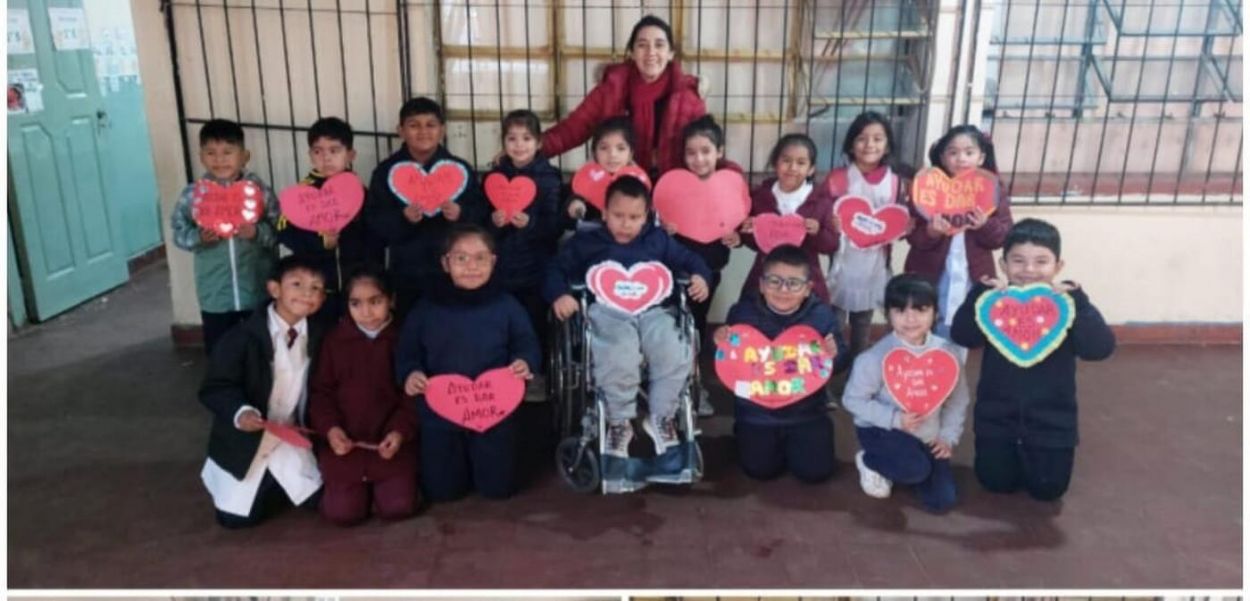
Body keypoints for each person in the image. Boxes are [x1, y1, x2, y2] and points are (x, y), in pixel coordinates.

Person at [545, 176, 711, 458]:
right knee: (619, 354)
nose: (626, 223)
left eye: (634, 217)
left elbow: (691, 260)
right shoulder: (588, 241)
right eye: (618, 216)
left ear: (645, 217)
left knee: (674, 350)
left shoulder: (657, 240)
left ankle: (661, 417)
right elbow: (554, 269)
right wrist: (559, 294)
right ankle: (619, 421)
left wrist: (701, 277)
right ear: (605, 213)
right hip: (608, 312)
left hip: (652, 311)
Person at [950, 218, 1116, 501]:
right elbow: (963, 335)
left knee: (1048, 490)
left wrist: (1080, 302)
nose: (1029, 270)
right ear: (1003, 266)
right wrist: (979, 295)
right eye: (1018, 261)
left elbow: (1099, 348)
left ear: (1058, 267)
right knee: (994, 483)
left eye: (1041, 262)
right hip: (996, 420)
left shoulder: (1066, 306)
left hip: (1052, 424)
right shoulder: (995, 304)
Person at [397, 225, 540, 502]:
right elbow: (407, 351)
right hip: (440, 411)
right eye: (461, 258)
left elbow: (526, 342)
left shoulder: (506, 304)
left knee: (498, 489)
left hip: (494, 407)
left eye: (480, 258)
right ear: (445, 262)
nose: (471, 266)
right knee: (443, 492)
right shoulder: (427, 307)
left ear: (493, 262)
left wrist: (524, 361)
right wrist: (411, 373)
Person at [198, 255, 328, 528]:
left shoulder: (322, 335)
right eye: (297, 284)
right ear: (274, 289)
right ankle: (263, 482)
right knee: (235, 519)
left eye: (316, 288)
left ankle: (278, 481)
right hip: (249, 436)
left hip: (292, 433)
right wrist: (241, 412)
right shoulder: (241, 338)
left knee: (318, 502)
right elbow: (216, 387)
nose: (307, 293)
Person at [715, 245, 848, 483]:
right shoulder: (742, 312)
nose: (783, 290)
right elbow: (734, 362)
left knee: (815, 473)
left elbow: (839, 363)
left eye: (794, 283)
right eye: (774, 281)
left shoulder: (821, 316)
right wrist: (721, 343)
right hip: (757, 412)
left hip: (806, 412)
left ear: (808, 289)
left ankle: (808, 437)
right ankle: (746, 431)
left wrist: (834, 354)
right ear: (762, 284)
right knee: (760, 471)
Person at [843, 274, 971, 512]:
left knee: (941, 502)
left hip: (928, 433)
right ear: (888, 314)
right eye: (900, 310)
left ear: (935, 312)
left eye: (921, 310)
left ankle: (912, 464)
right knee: (915, 470)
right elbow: (852, 400)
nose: (910, 319)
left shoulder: (947, 355)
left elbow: (958, 400)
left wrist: (947, 437)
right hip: (881, 429)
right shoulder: (874, 358)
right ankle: (870, 461)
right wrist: (893, 419)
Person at [308, 267, 417, 525]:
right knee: (342, 514)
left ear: (392, 300)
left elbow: (413, 396)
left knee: (398, 508)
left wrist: (399, 432)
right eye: (356, 304)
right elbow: (320, 393)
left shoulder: (405, 339)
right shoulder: (334, 340)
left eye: (375, 302)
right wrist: (331, 430)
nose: (366, 312)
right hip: (345, 445)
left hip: (392, 443)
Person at [365, 97, 487, 319]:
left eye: (430, 125)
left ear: (442, 130)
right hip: (407, 271)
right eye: (414, 125)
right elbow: (374, 222)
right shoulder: (385, 172)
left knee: (453, 328)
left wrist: (462, 214)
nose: (423, 132)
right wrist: (402, 218)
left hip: (453, 270)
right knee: (410, 328)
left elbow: (482, 215)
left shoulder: (460, 170)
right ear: (400, 130)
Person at [541, 14, 706, 175]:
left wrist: (727, 175)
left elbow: (706, 146)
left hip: (673, 185)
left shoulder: (688, 95)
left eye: (659, 45)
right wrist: (527, 148)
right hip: (619, 184)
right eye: (642, 45)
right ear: (632, 53)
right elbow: (571, 130)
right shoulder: (612, 88)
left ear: (671, 54)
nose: (651, 52)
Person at [658, 115, 746, 416]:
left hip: (710, 273)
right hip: (674, 272)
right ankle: (671, 384)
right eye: (691, 153)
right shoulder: (673, 186)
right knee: (671, 327)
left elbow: (741, 224)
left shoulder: (730, 186)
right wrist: (665, 228)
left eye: (706, 151)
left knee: (696, 326)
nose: (698, 159)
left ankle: (696, 386)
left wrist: (738, 236)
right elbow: (657, 223)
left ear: (719, 151)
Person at [171, 119, 280, 355]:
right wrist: (198, 237)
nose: (219, 160)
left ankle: (258, 390)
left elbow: (279, 228)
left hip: (256, 289)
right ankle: (224, 391)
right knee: (221, 351)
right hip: (215, 294)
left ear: (245, 156)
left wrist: (257, 233)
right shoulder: (193, 195)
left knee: (258, 350)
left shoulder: (259, 191)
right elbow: (178, 231)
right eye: (211, 153)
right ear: (201, 157)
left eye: (228, 152)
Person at [904, 124, 1013, 339]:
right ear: (943, 158)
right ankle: (921, 369)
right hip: (930, 271)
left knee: (962, 327)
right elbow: (912, 235)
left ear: (981, 157)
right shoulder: (927, 186)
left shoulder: (992, 188)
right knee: (923, 324)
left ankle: (954, 369)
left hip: (972, 273)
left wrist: (984, 225)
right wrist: (930, 232)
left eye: (969, 152)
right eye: (953, 152)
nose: (961, 158)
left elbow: (1004, 236)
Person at [486, 109, 563, 401]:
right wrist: (491, 224)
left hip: (537, 264)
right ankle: (502, 373)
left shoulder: (550, 178)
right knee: (502, 318)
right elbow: (481, 220)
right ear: (503, 141)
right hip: (502, 264)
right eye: (512, 138)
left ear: (539, 142)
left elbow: (555, 225)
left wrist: (531, 225)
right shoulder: (494, 176)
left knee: (533, 321)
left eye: (526, 138)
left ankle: (535, 374)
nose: (519, 145)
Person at [825, 111, 910, 364]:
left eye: (877, 138)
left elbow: (901, 219)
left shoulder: (896, 183)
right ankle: (833, 372)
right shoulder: (837, 179)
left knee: (863, 319)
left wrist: (906, 226)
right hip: (841, 261)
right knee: (835, 319)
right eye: (862, 138)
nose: (869, 145)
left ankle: (858, 371)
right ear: (851, 144)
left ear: (887, 145)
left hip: (876, 262)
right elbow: (820, 215)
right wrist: (830, 223)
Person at [276, 116, 379, 322]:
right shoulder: (301, 195)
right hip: (315, 287)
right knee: (320, 337)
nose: (326, 158)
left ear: (350, 155)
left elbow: (375, 237)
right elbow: (285, 234)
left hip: (356, 285)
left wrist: (371, 278)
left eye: (334, 150)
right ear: (310, 155)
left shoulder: (362, 194)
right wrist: (321, 243)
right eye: (318, 151)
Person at [740, 133, 839, 303]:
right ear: (775, 163)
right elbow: (753, 243)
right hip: (765, 276)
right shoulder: (760, 197)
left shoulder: (821, 202)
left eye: (801, 163)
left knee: (806, 325)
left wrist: (817, 232)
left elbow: (831, 244)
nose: (792, 167)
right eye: (786, 160)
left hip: (805, 279)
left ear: (811, 169)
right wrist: (748, 232)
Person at [561, 117, 649, 229]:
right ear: (594, 152)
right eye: (604, 148)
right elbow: (565, 219)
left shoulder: (639, 181)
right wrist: (573, 205)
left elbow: (648, 218)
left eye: (620, 148)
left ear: (631, 153)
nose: (612, 154)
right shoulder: (583, 178)